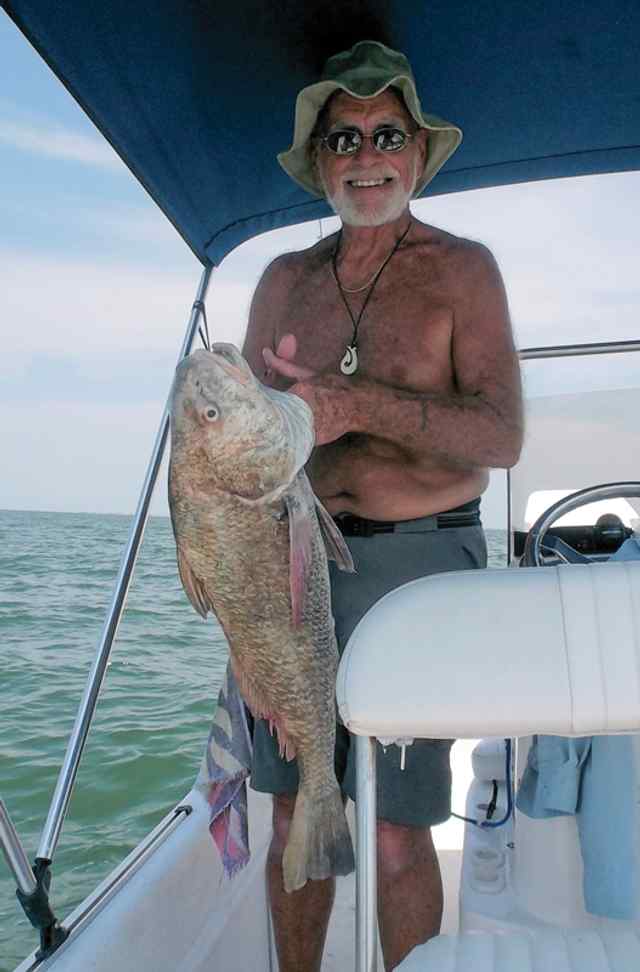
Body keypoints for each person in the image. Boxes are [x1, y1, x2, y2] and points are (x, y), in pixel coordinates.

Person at [242, 40, 523, 972]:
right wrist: (242, 638)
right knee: (294, 811)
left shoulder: (462, 271)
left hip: (421, 565)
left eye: (386, 133)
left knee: (401, 831)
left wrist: (355, 405)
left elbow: (501, 437)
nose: (367, 156)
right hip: (292, 564)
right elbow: (238, 471)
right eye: (344, 138)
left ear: (415, 151)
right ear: (320, 160)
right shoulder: (283, 280)